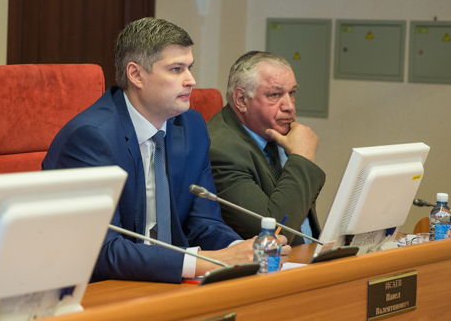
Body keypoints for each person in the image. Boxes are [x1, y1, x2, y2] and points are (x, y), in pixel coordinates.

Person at [43, 18, 283, 284]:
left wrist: (245, 251)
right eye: (176, 69)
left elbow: (204, 223)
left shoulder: (191, 126)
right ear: (136, 75)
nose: (191, 80)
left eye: (189, 67)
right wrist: (211, 261)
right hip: (105, 288)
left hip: (171, 282)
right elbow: (102, 251)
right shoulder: (91, 138)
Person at [207, 51, 325, 246]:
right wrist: (302, 157)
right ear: (241, 99)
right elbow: (274, 235)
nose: (289, 106)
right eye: (275, 95)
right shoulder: (220, 151)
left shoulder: (277, 132)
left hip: (307, 255)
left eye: (292, 93)